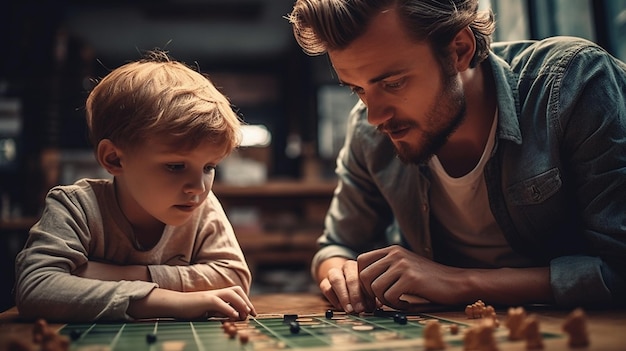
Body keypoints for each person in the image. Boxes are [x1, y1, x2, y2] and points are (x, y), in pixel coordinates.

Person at [287, 0, 626, 314]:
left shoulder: (573, 83)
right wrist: (341, 272)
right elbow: (336, 246)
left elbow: (619, 268)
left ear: (458, 50)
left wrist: (459, 282)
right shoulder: (367, 132)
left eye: (393, 83)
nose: (374, 115)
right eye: (358, 89)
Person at [14, 50, 257, 322]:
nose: (198, 188)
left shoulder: (203, 207)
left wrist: (111, 274)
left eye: (209, 167)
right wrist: (168, 301)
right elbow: (36, 288)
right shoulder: (76, 206)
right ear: (114, 159)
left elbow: (233, 278)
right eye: (175, 166)